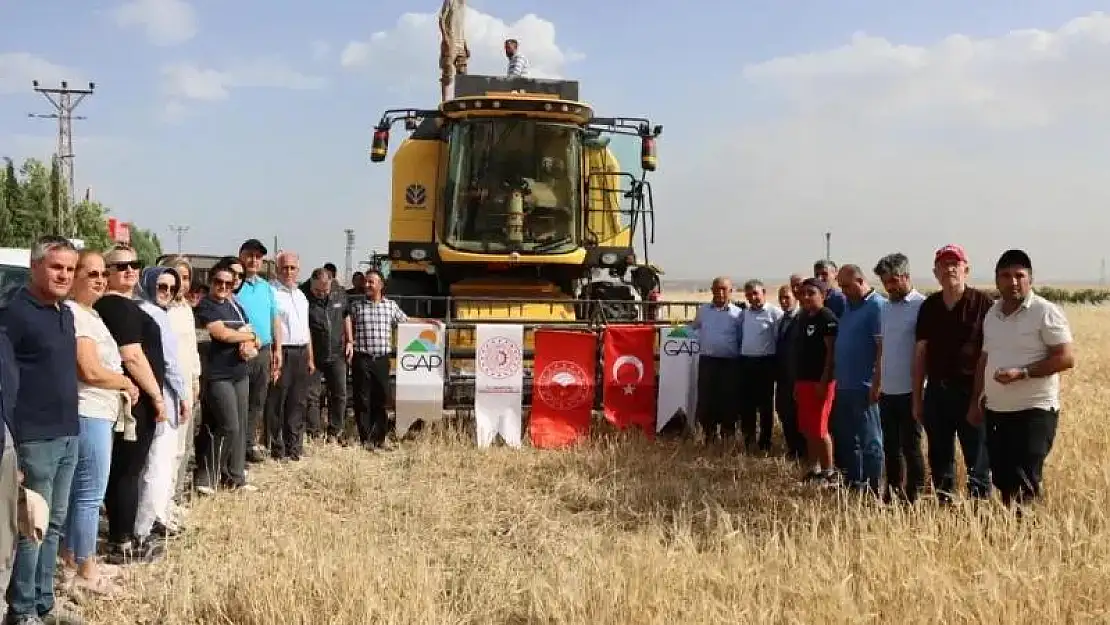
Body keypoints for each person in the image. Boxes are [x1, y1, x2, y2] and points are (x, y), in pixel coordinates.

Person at [0, 235, 83, 624]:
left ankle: (45, 603)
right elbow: (7, 382)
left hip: (68, 432)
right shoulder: (15, 313)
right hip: (34, 438)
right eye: (56, 267)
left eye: (69, 268)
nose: (64, 274)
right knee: (31, 527)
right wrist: (13, 443)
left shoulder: (65, 312)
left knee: (54, 525)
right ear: (35, 267)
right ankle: (21, 610)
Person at [60, 251, 136, 596]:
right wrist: (124, 382)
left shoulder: (91, 314)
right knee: (90, 494)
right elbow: (88, 370)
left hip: (98, 411)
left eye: (102, 273)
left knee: (82, 492)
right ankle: (86, 568)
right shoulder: (78, 315)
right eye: (91, 273)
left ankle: (72, 559)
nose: (100, 279)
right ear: (75, 277)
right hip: (89, 410)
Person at [975, 249, 1074, 508]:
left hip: (1034, 410)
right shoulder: (992, 314)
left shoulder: (1045, 311)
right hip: (997, 410)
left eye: (1020, 275)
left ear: (1030, 279)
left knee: (1026, 479)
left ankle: (1028, 536)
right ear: (997, 280)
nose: (1013, 281)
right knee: (1003, 478)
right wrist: (975, 400)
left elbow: (1065, 358)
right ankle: (1010, 535)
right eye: (1006, 276)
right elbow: (985, 359)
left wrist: (1023, 373)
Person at [95, 245, 168, 565]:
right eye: (120, 266)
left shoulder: (122, 305)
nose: (129, 270)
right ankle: (122, 540)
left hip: (131, 398)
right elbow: (133, 356)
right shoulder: (116, 306)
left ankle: (121, 536)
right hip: (136, 400)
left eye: (134, 264)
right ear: (106, 273)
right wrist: (156, 396)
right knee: (128, 469)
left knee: (125, 468)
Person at [913, 244, 993, 503]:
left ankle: (980, 509)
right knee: (939, 455)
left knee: (977, 457)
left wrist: (979, 400)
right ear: (935, 273)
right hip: (937, 392)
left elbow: (989, 354)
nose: (949, 269)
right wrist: (917, 399)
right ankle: (944, 504)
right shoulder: (929, 306)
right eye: (943, 265)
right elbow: (921, 353)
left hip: (971, 392)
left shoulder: (984, 304)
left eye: (954, 264)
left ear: (966, 270)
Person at [134, 268, 189, 542]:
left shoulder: (136, 309)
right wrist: (184, 395)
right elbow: (170, 362)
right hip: (163, 399)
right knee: (158, 466)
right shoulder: (155, 315)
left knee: (146, 467)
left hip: (143, 397)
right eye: (161, 286)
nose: (166, 292)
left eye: (171, 287)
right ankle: (145, 528)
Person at [193, 266, 258, 494]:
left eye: (229, 284)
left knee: (240, 428)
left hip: (239, 373)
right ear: (211, 282)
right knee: (227, 426)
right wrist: (249, 336)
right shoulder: (206, 306)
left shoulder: (235, 306)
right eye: (219, 282)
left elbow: (249, 329)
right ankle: (207, 477)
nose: (223, 287)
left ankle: (235, 477)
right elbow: (221, 333)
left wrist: (250, 342)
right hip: (218, 375)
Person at [872, 253, 927, 504]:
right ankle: (892, 493)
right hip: (888, 392)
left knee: (911, 447)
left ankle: (914, 495)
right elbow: (882, 348)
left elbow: (925, 350)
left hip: (912, 391)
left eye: (893, 280)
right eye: (885, 282)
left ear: (906, 276)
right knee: (890, 448)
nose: (890, 287)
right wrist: (877, 382)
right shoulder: (885, 308)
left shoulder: (922, 306)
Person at [831, 264, 886, 493]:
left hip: (865, 387)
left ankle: (875, 488)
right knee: (848, 440)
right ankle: (856, 483)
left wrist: (877, 383)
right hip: (844, 385)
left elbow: (882, 348)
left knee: (870, 441)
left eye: (846, 286)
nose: (843, 291)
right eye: (840, 286)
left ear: (861, 281)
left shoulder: (877, 307)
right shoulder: (849, 307)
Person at [156, 256, 201, 527]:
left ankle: (170, 500)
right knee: (165, 450)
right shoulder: (161, 309)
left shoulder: (185, 308)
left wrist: (195, 380)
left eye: (185, 278)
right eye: (176, 278)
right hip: (168, 388)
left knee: (181, 449)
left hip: (187, 384)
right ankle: (158, 509)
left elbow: (191, 349)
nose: (181, 284)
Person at [346, 270, 408, 451]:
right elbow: (346, 325)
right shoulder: (356, 307)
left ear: (381, 285)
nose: (367, 285)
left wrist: (430, 323)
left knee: (381, 400)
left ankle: (380, 438)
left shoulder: (391, 306)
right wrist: (349, 340)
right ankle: (365, 439)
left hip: (381, 360)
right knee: (362, 399)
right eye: (366, 282)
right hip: (361, 359)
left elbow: (406, 321)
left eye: (371, 282)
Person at [266, 252, 314, 461]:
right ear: (277, 269)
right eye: (284, 267)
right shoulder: (272, 292)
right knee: (278, 402)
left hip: (301, 352)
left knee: (298, 401)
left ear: (298, 270)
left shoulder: (301, 295)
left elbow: (306, 328)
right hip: (282, 351)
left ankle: (295, 447)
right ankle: (278, 449)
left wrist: (311, 356)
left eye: (292, 268)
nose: (288, 272)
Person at [236, 240, 281, 464]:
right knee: (239, 401)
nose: (254, 260)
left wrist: (277, 349)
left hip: (263, 351)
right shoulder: (233, 285)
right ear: (241, 256)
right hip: (240, 351)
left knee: (257, 400)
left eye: (258, 257)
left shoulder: (266, 287)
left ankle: (248, 445)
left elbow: (275, 320)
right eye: (249, 255)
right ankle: (235, 447)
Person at [793, 278, 838, 485]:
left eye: (811, 293)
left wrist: (824, 380)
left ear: (823, 295)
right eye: (803, 293)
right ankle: (814, 468)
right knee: (807, 428)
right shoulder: (803, 317)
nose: (806, 297)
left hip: (821, 382)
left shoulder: (827, 317)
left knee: (820, 429)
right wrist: (797, 382)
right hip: (804, 380)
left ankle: (829, 471)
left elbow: (831, 353)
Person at [687, 277, 743, 443]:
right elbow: (693, 329)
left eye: (724, 289)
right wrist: (671, 332)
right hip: (708, 362)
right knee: (707, 400)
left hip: (730, 364)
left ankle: (728, 436)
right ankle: (709, 436)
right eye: (716, 289)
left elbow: (742, 338)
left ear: (731, 291)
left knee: (728, 400)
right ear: (711, 290)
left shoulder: (738, 315)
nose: (719, 293)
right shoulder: (703, 311)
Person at [303, 267, 351, 444]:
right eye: (317, 290)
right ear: (311, 283)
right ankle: (314, 432)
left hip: (337, 352)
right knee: (312, 396)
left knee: (339, 394)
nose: (321, 294)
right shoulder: (303, 295)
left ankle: (335, 432)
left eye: (325, 291)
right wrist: (308, 356)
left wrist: (350, 341)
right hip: (313, 353)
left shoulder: (340, 293)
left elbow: (346, 316)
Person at [737, 279, 783, 451]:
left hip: (766, 363)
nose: (752, 298)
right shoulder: (744, 314)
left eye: (755, 293)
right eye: (749, 295)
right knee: (746, 404)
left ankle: (765, 442)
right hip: (746, 362)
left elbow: (779, 338)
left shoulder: (774, 313)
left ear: (763, 292)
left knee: (765, 405)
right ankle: (748, 440)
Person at [774, 281, 805, 460]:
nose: (784, 301)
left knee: (796, 414)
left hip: (797, 376)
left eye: (787, 298)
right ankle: (792, 448)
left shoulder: (801, 319)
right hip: (783, 376)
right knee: (783, 411)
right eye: (781, 298)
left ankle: (802, 451)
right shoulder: (781, 320)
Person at [438, 0, 469, 101]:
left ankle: (461, 97)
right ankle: (445, 100)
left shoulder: (463, 5)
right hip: (451, 41)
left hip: (460, 42)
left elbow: (461, 27)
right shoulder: (450, 1)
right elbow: (441, 19)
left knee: (463, 71)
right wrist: (446, 38)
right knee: (447, 71)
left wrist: (465, 45)